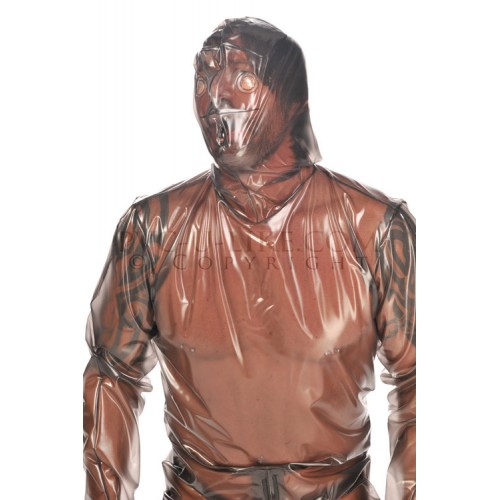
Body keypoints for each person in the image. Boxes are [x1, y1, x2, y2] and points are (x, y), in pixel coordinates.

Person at [83, 17, 416, 500]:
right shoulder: (153, 230)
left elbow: (418, 384)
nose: (216, 95)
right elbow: (111, 377)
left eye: (242, 77)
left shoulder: (374, 229)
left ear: (292, 97)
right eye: (204, 75)